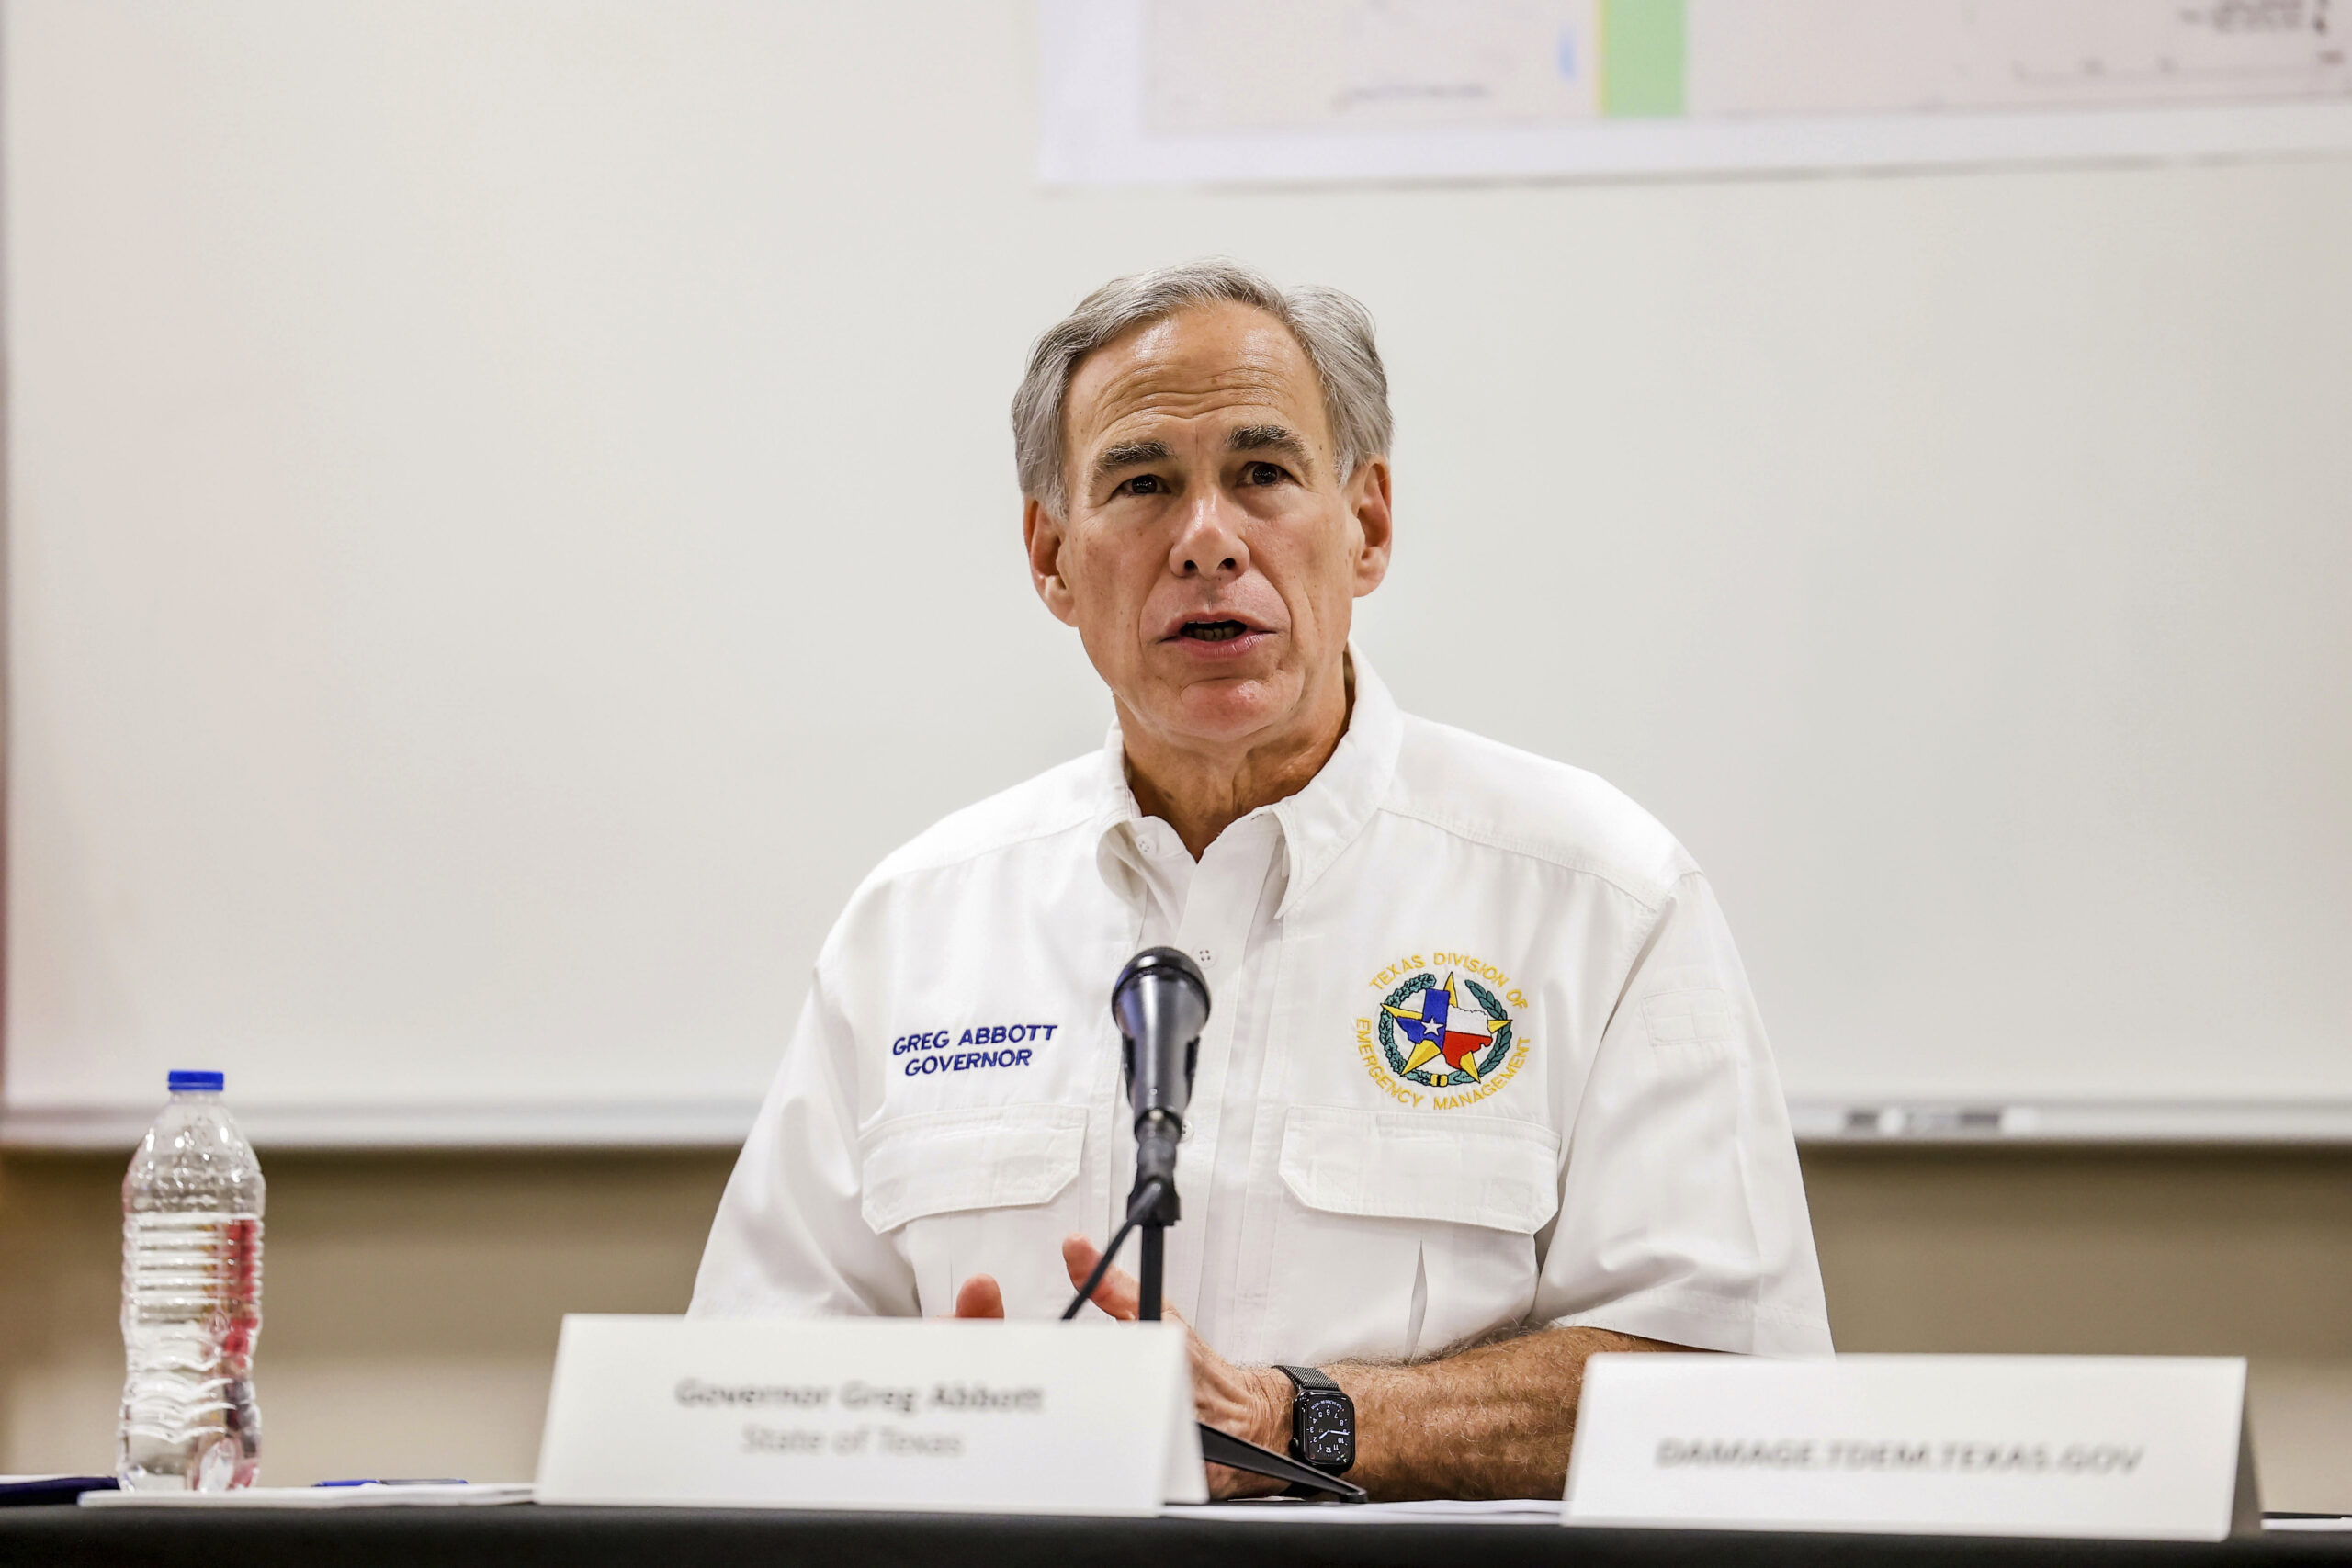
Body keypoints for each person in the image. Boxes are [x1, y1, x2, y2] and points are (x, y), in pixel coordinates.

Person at [691, 259, 1832, 1500]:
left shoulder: (1599, 898)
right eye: (1142, 484)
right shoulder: (915, 927)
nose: (1207, 541)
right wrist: (926, 1419)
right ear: (1052, 557)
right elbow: (748, 1380)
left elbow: (1731, 1386)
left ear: (1367, 526)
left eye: (1262, 474)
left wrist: (1304, 1422)